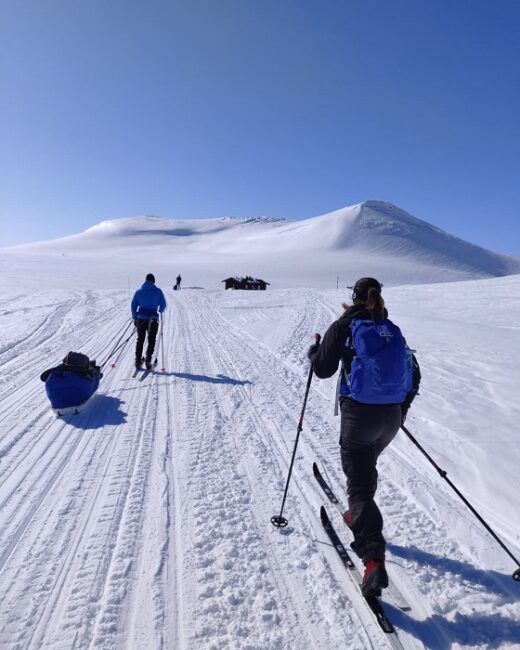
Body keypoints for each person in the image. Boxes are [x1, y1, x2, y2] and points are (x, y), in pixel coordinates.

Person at [308, 277, 420, 597]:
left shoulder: (344, 325)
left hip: (360, 415)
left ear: (353, 297)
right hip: (390, 418)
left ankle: (372, 560)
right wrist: (399, 410)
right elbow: (415, 373)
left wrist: (315, 352)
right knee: (365, 468)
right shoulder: (391, 329)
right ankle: (359, 514)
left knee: (359, 485)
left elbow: (324, 369)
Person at [131, 273, 167, 370]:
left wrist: (135, 316)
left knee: (140, 340)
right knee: (151, 339)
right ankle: (148, 360)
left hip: (141, 319)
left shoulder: (139, 292)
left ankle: (138, 361)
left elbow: (133, 305)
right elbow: (163, 305)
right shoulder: (158, 291)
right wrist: (160, 310)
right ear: (153, 281)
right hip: (153, 319)